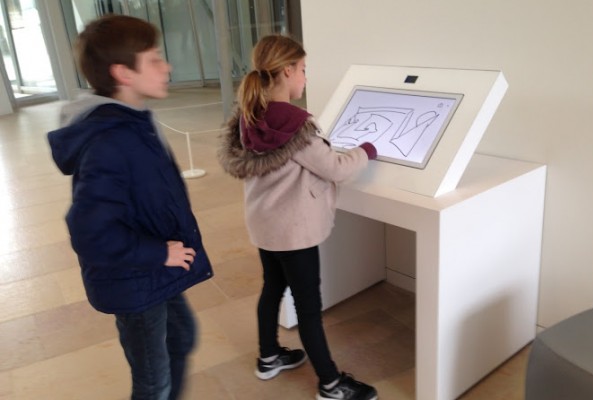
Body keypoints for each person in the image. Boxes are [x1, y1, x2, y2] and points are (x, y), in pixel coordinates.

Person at [47, 14, 213, 400]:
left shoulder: (132, 124)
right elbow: (91, 232)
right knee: (153, 382)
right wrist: (158, 252)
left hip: (152, 270)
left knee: (182, 336)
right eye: (154, 59)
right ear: (123, 73)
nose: (167, 66)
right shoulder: (110, 142)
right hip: (136, 278)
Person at [218, 34, 378, 400]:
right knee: (308, 306)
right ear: (288, 70)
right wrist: (367, 150)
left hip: (264, 225)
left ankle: (269, 357)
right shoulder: (296, 124)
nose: (305, 77)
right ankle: (331, 384)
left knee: (272, 288)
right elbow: (336, 168)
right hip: (295, 232)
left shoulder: (249, 115)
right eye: (303, 69)